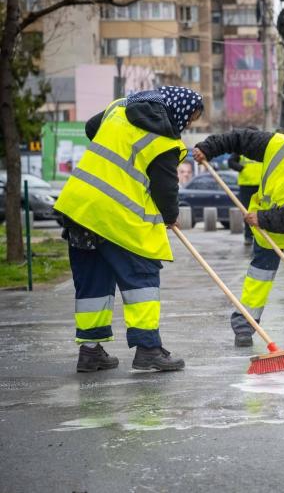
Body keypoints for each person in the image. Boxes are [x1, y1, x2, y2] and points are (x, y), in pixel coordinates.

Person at [54, 86, 204, 373]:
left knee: (92, 282)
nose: (187, 124)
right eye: (190, 118)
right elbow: (165, 190)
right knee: (142, 275)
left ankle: (90, 352)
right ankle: (148, 349)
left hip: (79, 207)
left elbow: (90, 127)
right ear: (179, 110)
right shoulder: (164, 142)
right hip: (116, 215)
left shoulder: (119, 108)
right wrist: (171, 216)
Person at [192, 123, 284, 348]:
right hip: (267, 231)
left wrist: (263, 218)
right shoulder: (276, 145)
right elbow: (239, 138)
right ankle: (245, 325)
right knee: (258, 278)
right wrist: (208, 149)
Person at [228, 126, 262, 245]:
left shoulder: (263, 148)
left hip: (262, 186)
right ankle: (248, 236)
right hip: (246, 186)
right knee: (248, 212)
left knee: (262, 212)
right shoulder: (241, 149)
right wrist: (243, 169)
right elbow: (231, 162)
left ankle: (261, 237)